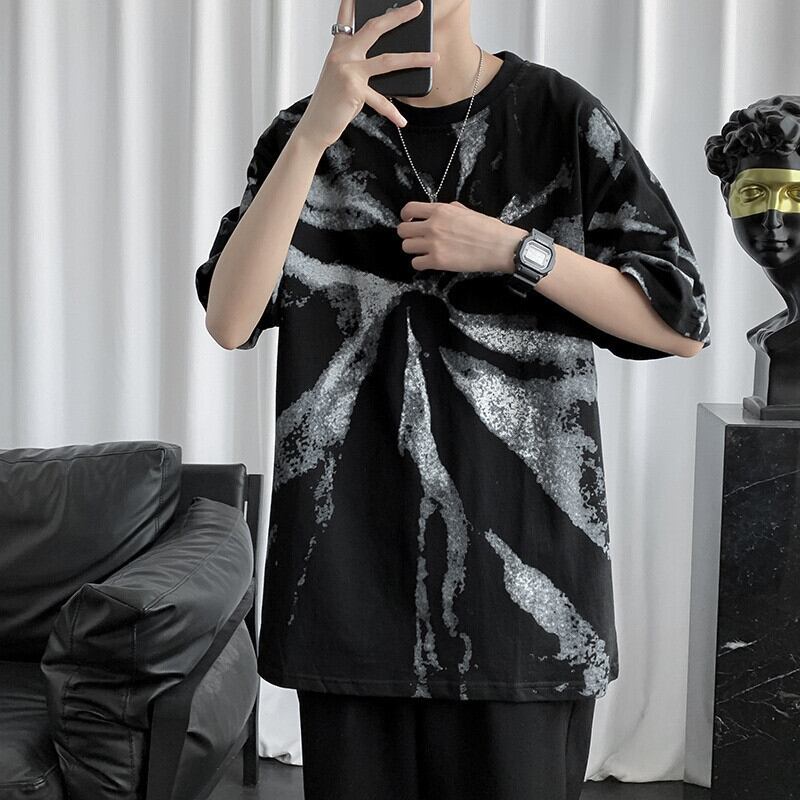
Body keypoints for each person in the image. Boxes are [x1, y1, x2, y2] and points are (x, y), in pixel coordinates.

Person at [195, 1, 712, 797]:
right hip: (346, 587)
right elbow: (230, 319)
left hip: (526, 601)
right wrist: (313, 135)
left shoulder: (557, 115)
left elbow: (679, 322)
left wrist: (514, 250)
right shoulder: (303, 134)